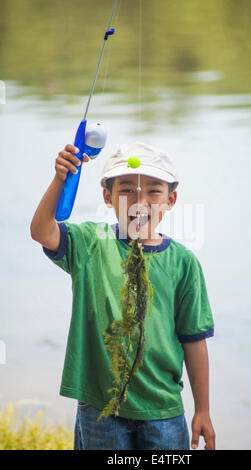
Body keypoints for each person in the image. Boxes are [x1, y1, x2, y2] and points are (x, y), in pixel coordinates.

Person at [30, 141, 216, 451]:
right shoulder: (91, 243)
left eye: (154, 191)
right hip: (101, 409)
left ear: (170, 200)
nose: (139, 202)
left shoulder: (183, 262)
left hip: (163, 411)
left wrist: (203, 410)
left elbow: (194, 339)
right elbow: (42, 230)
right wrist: (62, 177)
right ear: (108, 197)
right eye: (127, 190)